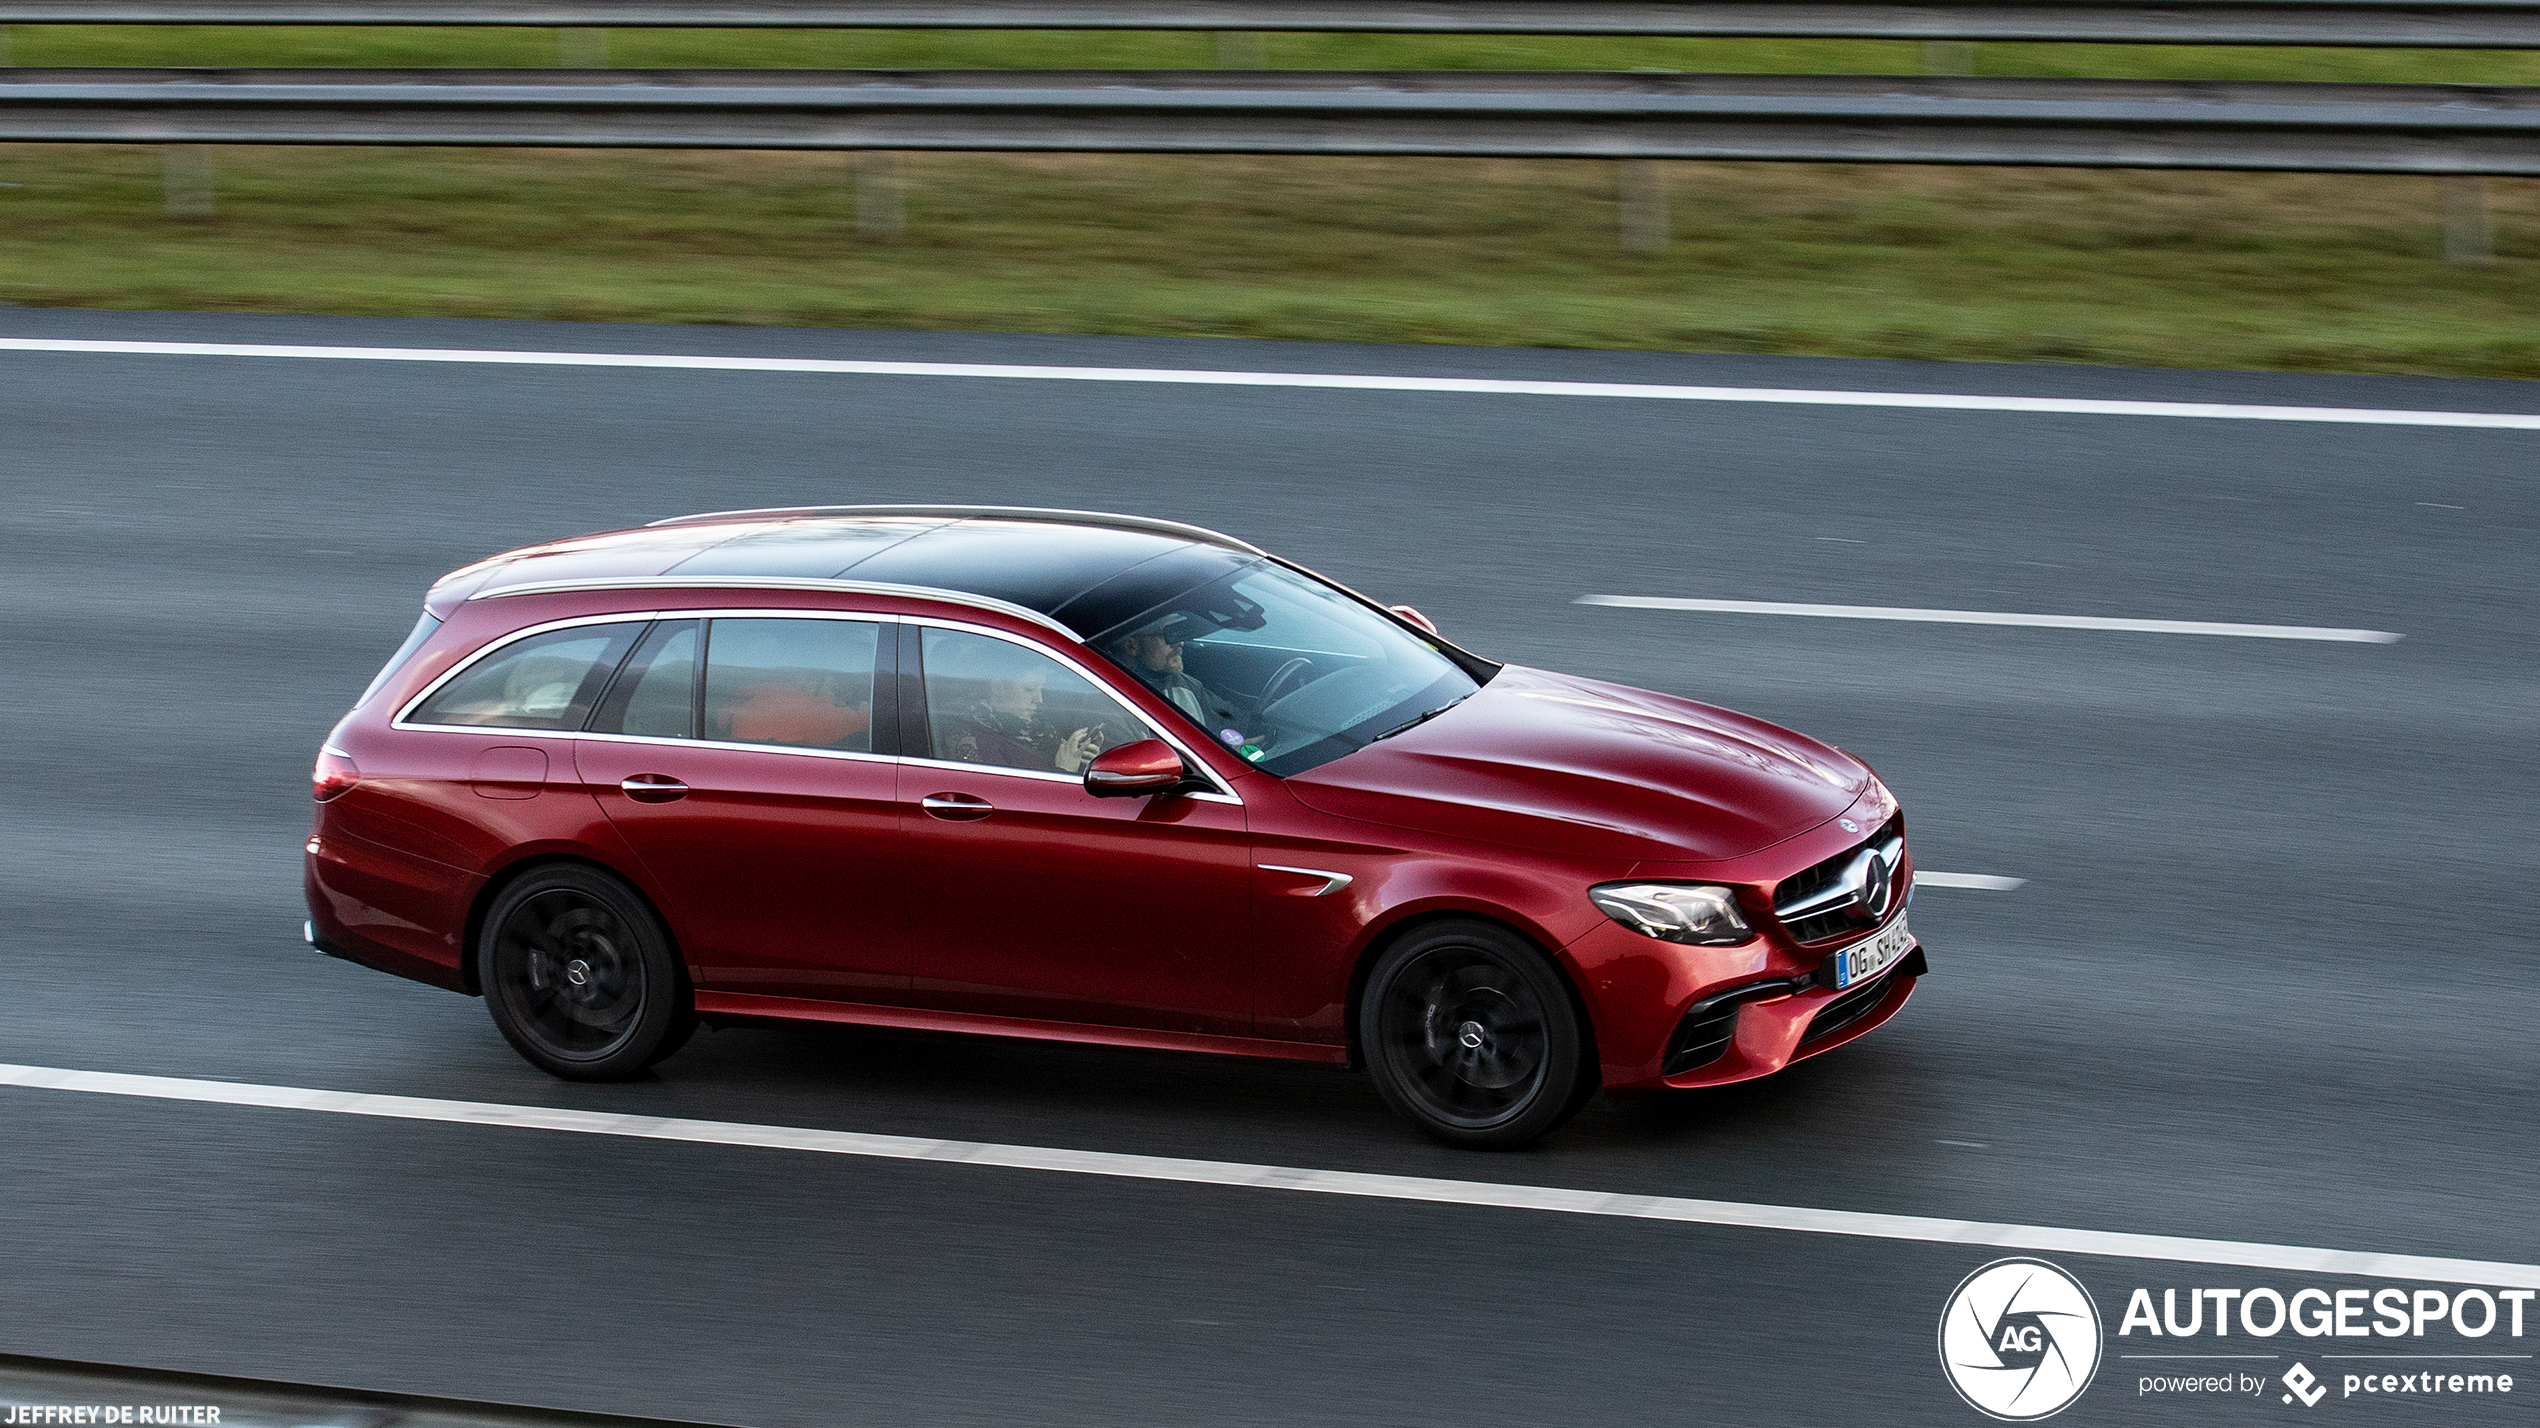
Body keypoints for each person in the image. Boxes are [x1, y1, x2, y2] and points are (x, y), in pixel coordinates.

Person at [937, 641, 1103, 774]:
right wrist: (1064, 770)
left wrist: (1080, 760)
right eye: (1029, 689)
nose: (1039, 699)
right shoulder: (975, 741)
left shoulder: (1038, 729)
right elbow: (1010, 806)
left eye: (1041, 689)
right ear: (998, 687)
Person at [1113, 614, 1247, 736]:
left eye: (1179, 633)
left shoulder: (1186, 685)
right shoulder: (1112, 702)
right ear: (1131, 646)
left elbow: (1235, 720)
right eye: (1169, 634)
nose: (1180, 643)